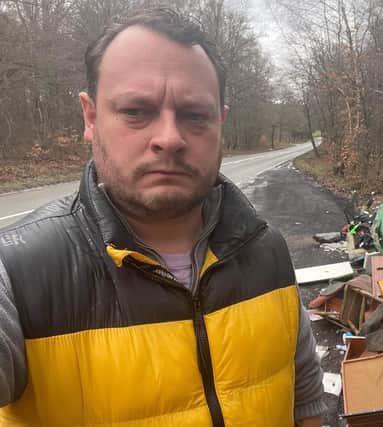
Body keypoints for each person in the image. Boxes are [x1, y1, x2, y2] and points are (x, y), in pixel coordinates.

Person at [0, 8, 326, 426]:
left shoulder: (267, 252)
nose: (170, 138)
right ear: (91, 115)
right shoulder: (20, 274)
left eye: (194, 115)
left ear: (220, 122)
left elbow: (305, 396)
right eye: (137, 111)